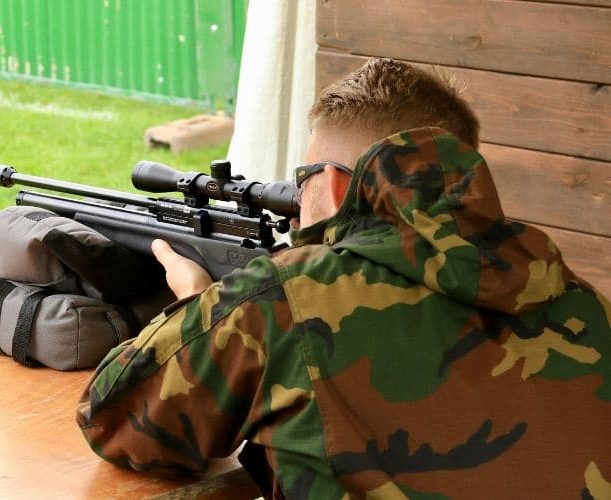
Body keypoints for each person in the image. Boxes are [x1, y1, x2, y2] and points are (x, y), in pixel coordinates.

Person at [75, 58, 611, 499]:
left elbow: (113, 420)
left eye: (300, 180)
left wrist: (199, 306)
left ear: (331, 186)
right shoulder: (581, 300)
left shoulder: (285, 298)